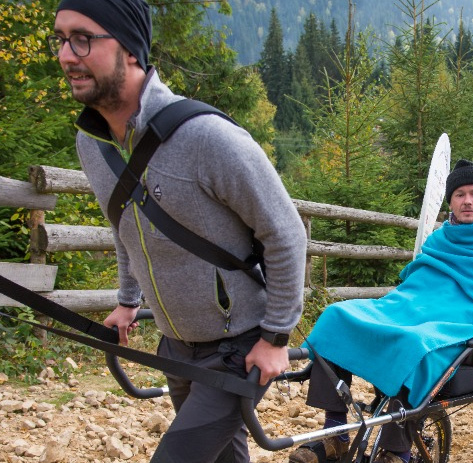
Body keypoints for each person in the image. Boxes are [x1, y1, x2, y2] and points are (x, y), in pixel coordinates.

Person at [51, 1, 307, 461]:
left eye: (83, 38)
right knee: (223, 456)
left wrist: (276, 338)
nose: (68, 54)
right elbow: (124, 224)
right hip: (175, 342)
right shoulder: (92, 144)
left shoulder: (207, 137)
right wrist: (128, 301)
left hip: (240, 344)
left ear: (129, 48)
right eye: (62, 39)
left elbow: (285, 233)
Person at [289, 160, 473, 463]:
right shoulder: (442, 238)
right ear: (451, 201)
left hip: (468, 329)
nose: (467, 201)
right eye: (459, 195)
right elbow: (417, 280)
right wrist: (413, 305)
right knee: (336, 317)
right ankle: (334, 434)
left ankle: (397, 452)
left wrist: (457, 311)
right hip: (414, 311)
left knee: (414, 345)